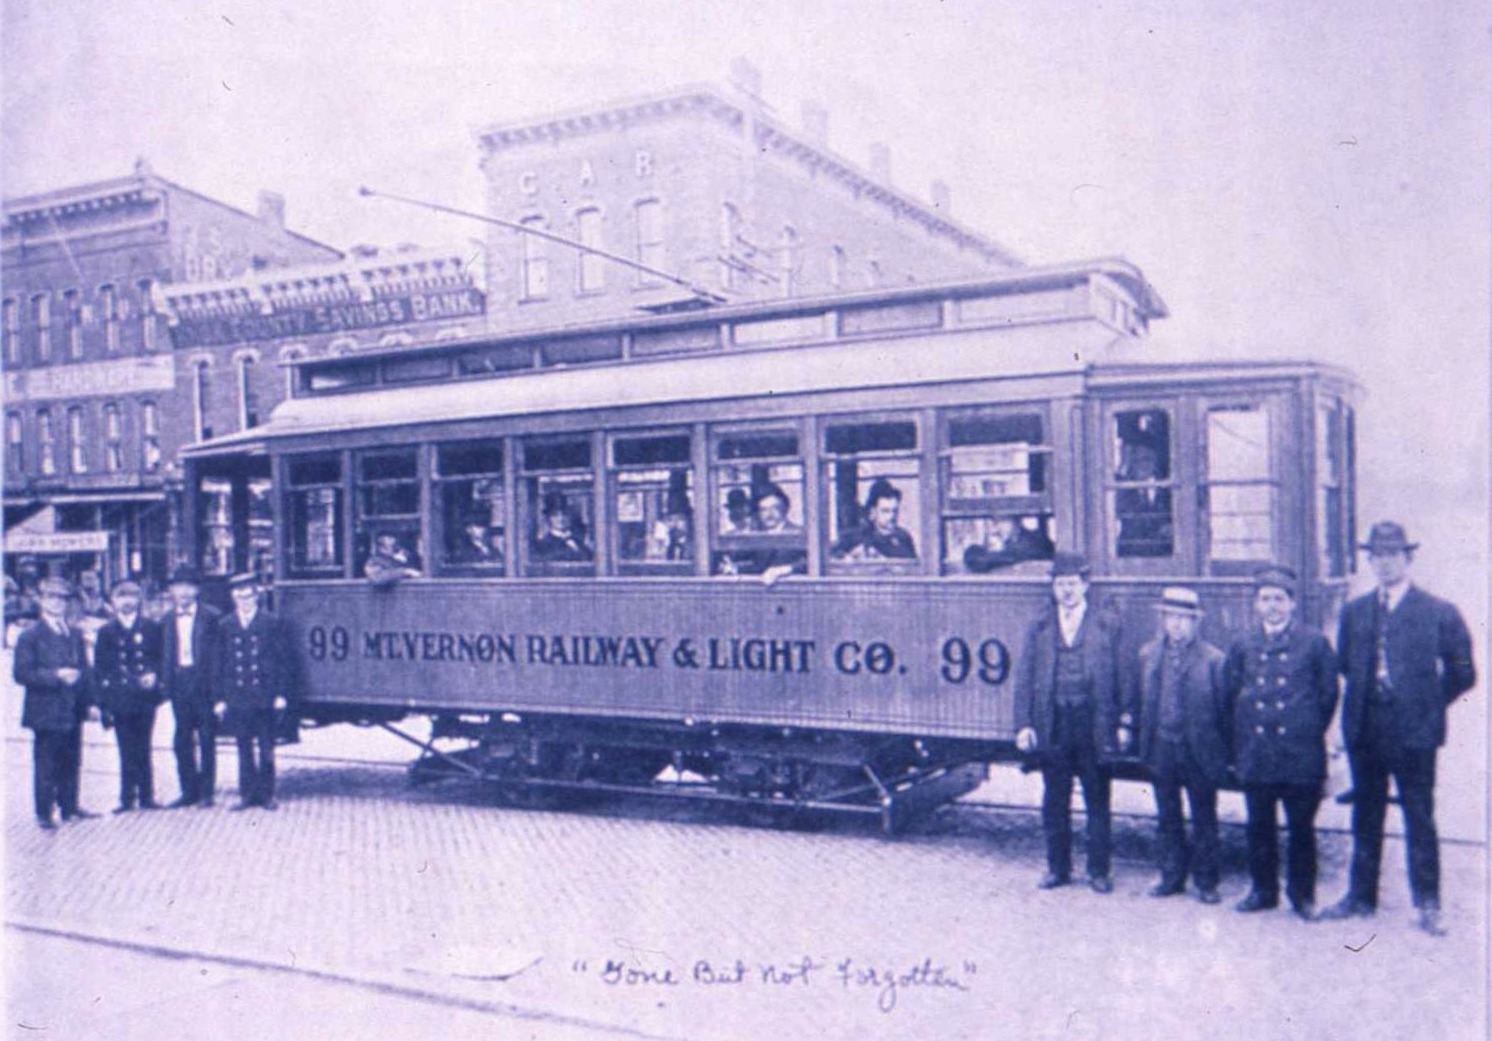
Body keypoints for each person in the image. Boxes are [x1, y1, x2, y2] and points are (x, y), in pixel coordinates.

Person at [1319, 522, 1475, 936]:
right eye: (1377, 555)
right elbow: (1348, 668)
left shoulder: (1438, 612)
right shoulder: (1355, 612)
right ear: (1370, 561)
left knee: (1419, 816)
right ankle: (1360, 897)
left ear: (1408, 559)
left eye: (1393, 554)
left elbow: (1463, 672)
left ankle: (1427, 905)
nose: (1385, 562)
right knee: (1366, 815)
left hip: (1414, 735)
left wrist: (1426, 704)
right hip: (1367, 730)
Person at [1012, 552, 1133, 893]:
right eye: (1060, 584)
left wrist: (1125, 722)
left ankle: (1098, 871)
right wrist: (1023, 724)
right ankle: (1058, 869)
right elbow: (1024, 677)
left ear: (1086, 585)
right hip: (1055, 723)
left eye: (1072, 584)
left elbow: (1123, 675)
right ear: (1053, 587)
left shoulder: (1106, 624)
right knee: (1055, 799)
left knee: (1097, 799)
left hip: (1093, 723)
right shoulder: (1040, 626)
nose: (1066, 591)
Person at [1225, 565, 1339, 920]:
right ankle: (1263, 890)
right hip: (1258, 753)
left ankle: (1302, 895)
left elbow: (1327, 696)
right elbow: (1230, 694)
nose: (1272, 606)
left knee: (1301, 827)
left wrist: (1302, 730)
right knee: (1259, 824)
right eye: (1265, 599)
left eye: (1278, 599)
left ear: (1292, 604)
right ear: (1256, 605)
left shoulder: (1314, 643)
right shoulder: (1244, 644)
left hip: (1298, 753)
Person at [1138, 586, 1229, 905]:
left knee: (1204, 815)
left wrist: (1223, 753)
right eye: (1170, 617)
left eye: (1183, 619)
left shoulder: (1214, 660)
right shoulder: (1149, 655)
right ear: (1163, 620)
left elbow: (1224, 710)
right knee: (1167, 815)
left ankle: (1206, 881)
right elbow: (1143, 702)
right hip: (1163, 744)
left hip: (1199, 749)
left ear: (1195, 623)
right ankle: (1171, 876)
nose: (1176, 625)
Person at [12, 577, 96, 829]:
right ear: (41, 601)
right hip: (45, 709)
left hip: (72, 707)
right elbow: (22, 673)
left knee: (72, 757)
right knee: (47, 762)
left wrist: (90, 701)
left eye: (62, 599)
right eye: (52, 598)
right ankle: (44, 812)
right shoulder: (30, 636)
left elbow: (85, 669)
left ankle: (69, 805)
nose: (57, 603)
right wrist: (56, 676)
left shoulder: (74, 633)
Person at [212, 573, 299, 811]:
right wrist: (220, 698)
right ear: (233, 598)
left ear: (257, 596)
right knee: (243, 747)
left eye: (248, 595)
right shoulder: (225, 625)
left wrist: (281, 694)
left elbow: (284, 661)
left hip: (264, 695)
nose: (244, 600)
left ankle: (267, 794)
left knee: (266, 747)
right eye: (239, 596)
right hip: (238, 695)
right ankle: (247, 794)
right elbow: (219, 664)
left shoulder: (272, 622)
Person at [93, 580, 166, 813]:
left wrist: (154, 675)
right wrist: (102, 701)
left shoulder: (151, 628)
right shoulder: (106, 632)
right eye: (121, 596)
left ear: (139, 600)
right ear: (113, 601)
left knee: (144, 745)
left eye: (132, 596)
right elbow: (100, 667)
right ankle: (126, 798)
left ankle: (147, 796)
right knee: (125, 747)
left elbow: (160, 658)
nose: (127, 601)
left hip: (144, 697)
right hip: (120, 697)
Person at [161, 566, 221, 808]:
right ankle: (188, 790)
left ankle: (207, 792)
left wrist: (217, 691)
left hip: (203, 682)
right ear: (172, 591)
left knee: (207, 737)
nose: (183, 592)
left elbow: (218, 655)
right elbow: (164, 653)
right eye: (178, 586)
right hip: (179, 682)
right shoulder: (166, 619)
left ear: (196, 590)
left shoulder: (211, 616)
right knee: (182, 738)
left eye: (188, 586)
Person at [830, 478, 917, 561]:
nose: (891, 517)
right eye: (885, 511)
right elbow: (831, 557)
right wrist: (850, 557)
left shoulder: (903, 537)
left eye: (895, 511)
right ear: (873, 512)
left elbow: (914, 568)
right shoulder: (855, 537)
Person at [963, 515, 1055, 573]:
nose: (996, 529)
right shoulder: (1010, 544)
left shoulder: (1034, 541)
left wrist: (985, 557)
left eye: (1001, 522)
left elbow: (1016, 555)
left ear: (1016, 521)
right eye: (995, 523)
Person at [530, 492, 593, 562]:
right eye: (555, 515)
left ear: (570, 516)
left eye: (565, 514)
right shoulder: (543, 545)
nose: (561, 519)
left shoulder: (579, 542)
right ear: (548, 518)